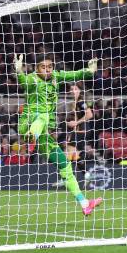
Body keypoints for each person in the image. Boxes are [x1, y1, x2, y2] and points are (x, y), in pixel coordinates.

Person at [14, 54, 102, 216]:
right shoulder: (33, 79)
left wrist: (89, 71)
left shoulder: (56, 77)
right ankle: (31, 135)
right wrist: (19, 71)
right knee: (44, 115)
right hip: (28, 124)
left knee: (66, 166)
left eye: (49, 67)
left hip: (44, 133)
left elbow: (74, 74)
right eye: (43, 67)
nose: (47, 70)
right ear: (36, 68)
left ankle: (84, 203)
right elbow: (23, 81)